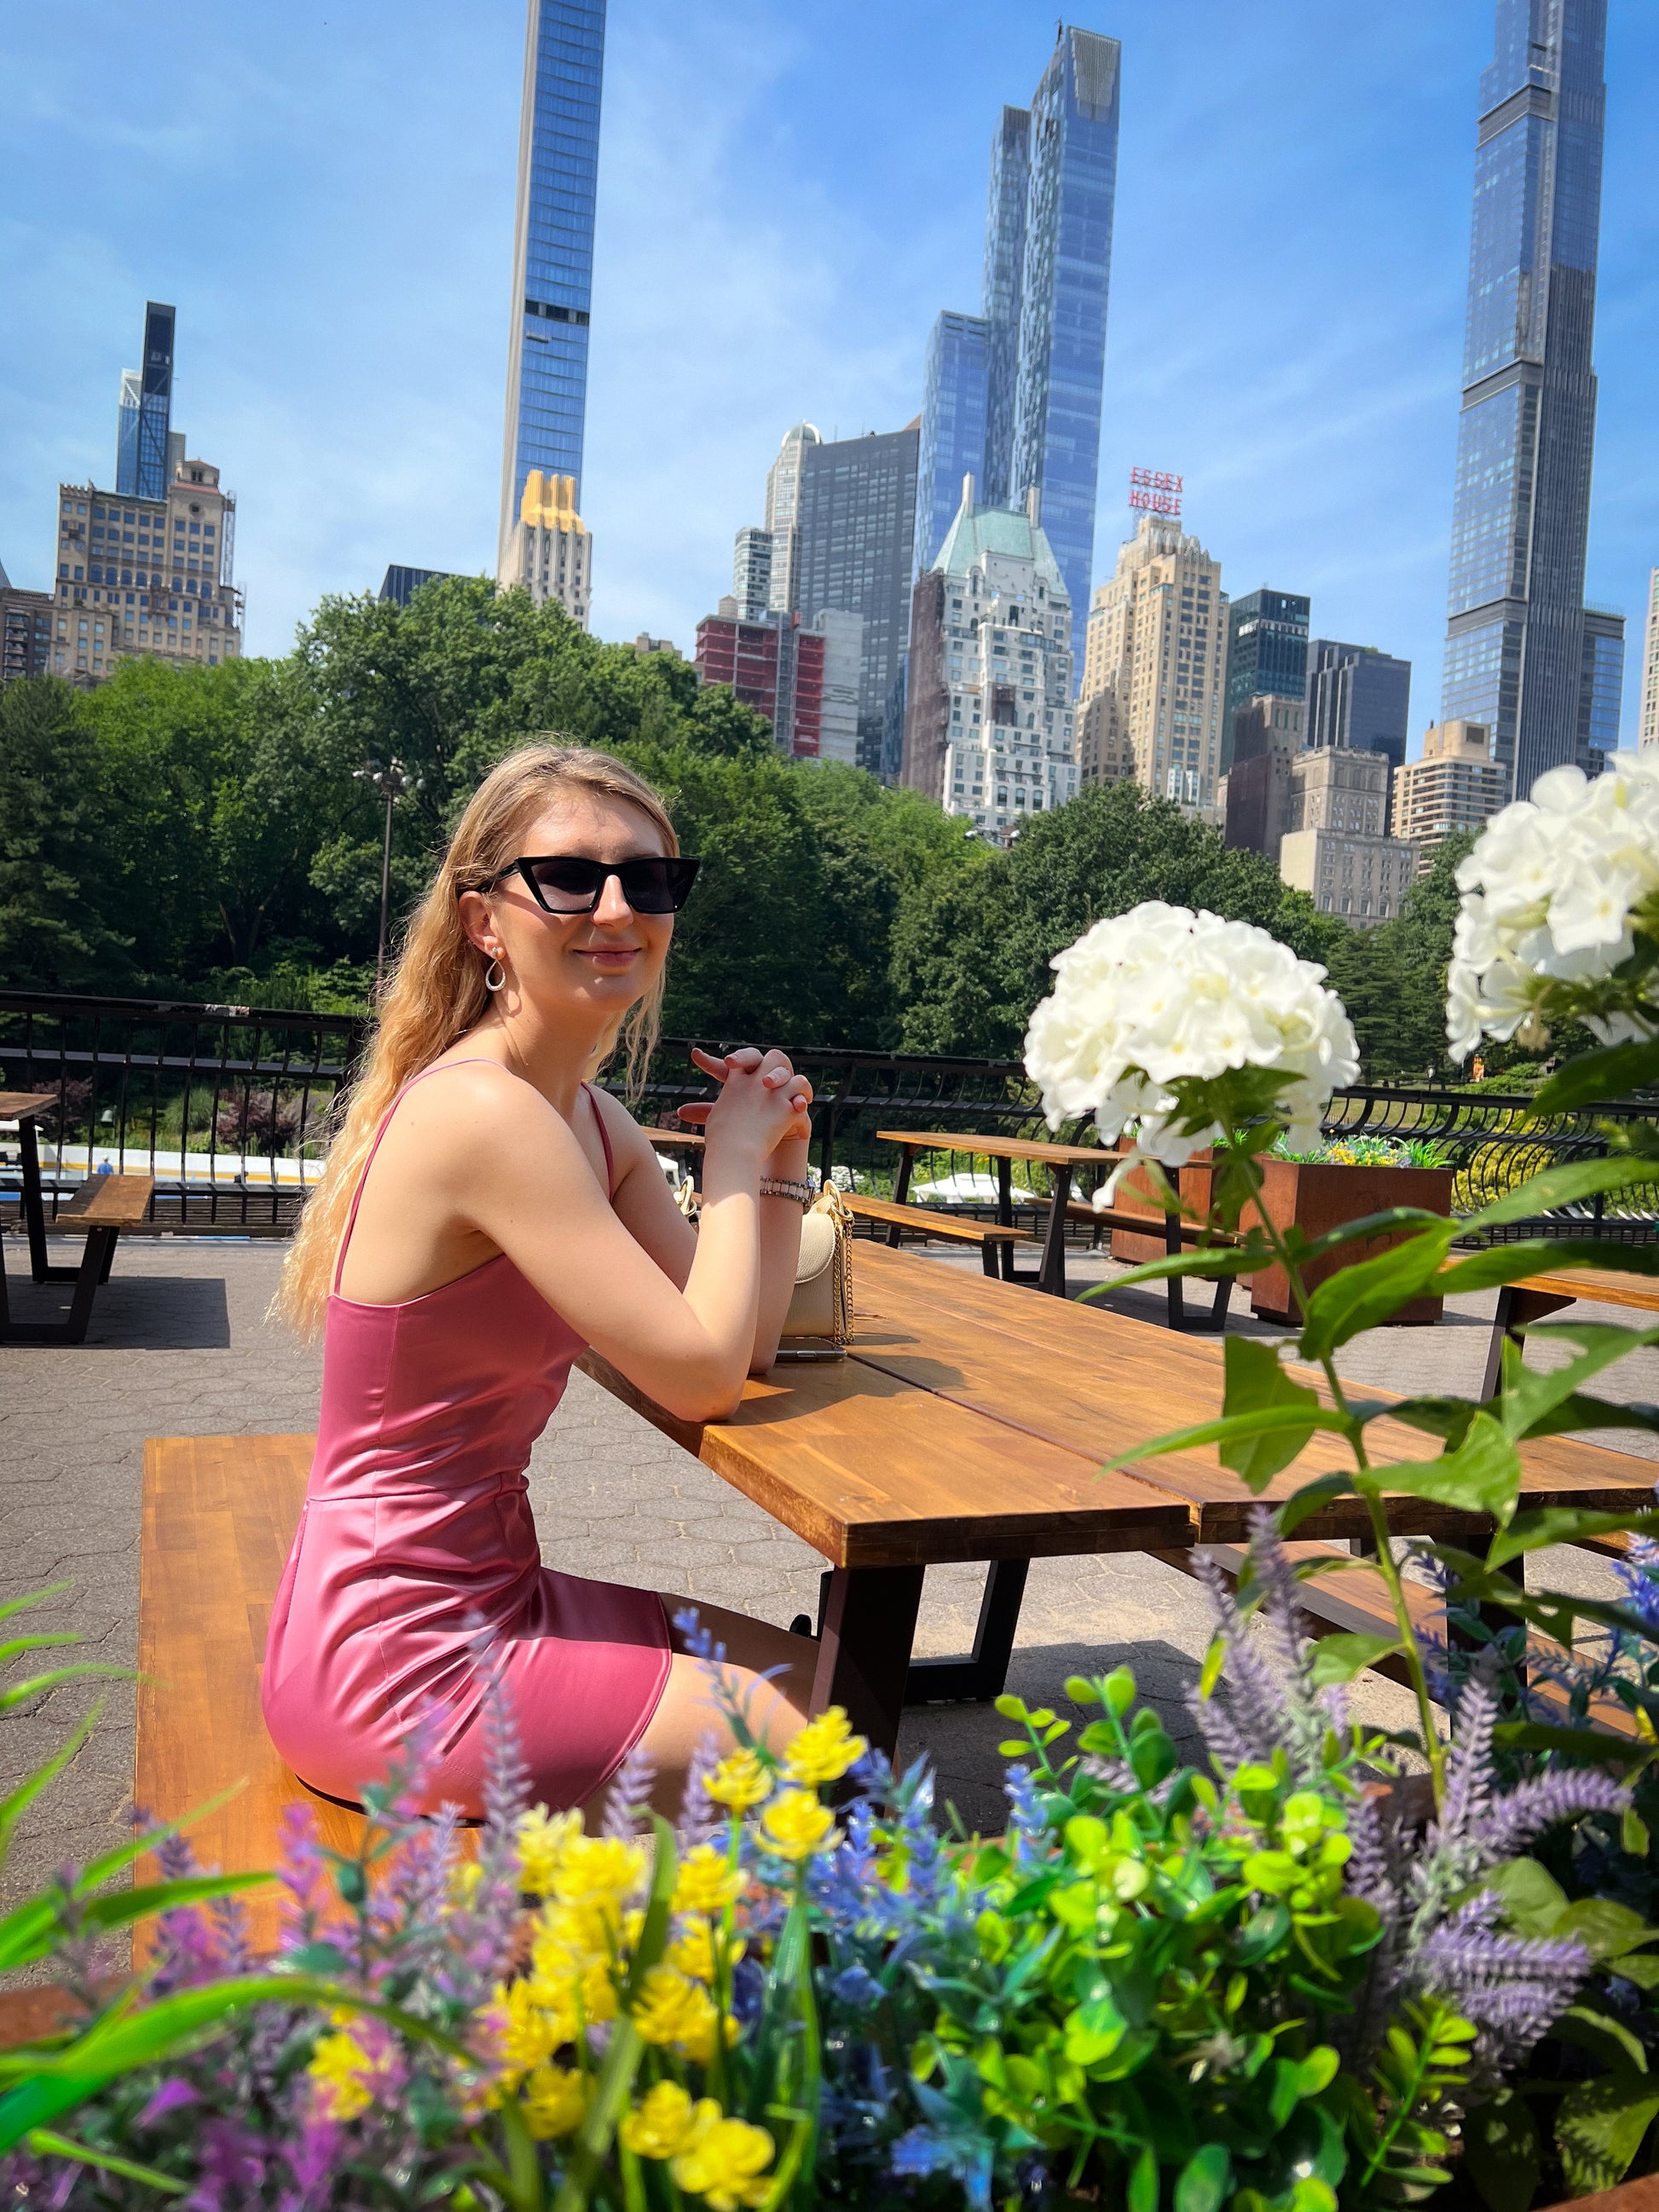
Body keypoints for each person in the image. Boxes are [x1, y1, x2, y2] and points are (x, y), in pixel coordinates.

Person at [265, 742, 817, 1821]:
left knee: (831, 1684)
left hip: (484, 1597)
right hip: (400, 1662)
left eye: (649, 880)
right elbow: (701, 1378)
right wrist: (733, 1164)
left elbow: (741, 1342)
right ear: (484, 921)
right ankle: (682, 1971)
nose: (616, 909)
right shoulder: (487, 1114)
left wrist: (779, 1169)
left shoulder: (587, 1118)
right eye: (568, 877)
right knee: (823, 1741)